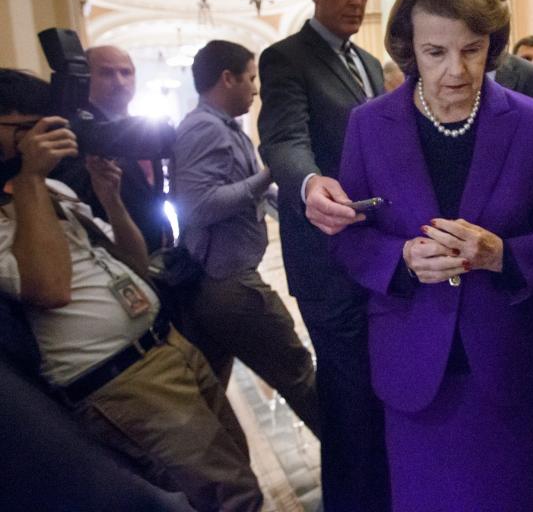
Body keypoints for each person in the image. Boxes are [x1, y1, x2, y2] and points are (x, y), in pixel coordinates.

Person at [329, 0, 533, 512]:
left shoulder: (530, 120)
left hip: (508, 369)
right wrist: (399, 258)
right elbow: (348, 240)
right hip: (415, 374)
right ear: (410, 49)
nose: (455, 70)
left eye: (471, 49)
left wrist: (503, 255)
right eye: (435, 52)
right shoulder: (369, 126)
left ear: (491, 45)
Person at [0, 69, 261, 512]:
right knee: (229, 495)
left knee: (236, 470)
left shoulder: (57, 190)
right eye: (27, 129)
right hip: (121, 378)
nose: (42, 139)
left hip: (167, 347)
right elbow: (50, 288)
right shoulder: (25, 198)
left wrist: (111, 198)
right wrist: (28, 180)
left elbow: (135, 263)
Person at [257, 0, 389, 512]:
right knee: (346, 397)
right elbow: (283, 139)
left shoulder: (368, 63)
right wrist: (310, 184)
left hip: (378, 254)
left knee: (376, 391)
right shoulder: (286, 58)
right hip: (325, 258)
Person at [173, 40, 323, 437]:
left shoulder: (224, 128)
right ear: (227, 78)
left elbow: (249, 192)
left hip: (225, 282)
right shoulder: (204, 129)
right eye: (251, 78)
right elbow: (198, 205)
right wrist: (269, 174)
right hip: (229, 285)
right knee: (299, 373)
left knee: (212, 397)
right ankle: (359, 470)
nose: (256, 89)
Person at [52, 45, 171, 253]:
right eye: (106, 73)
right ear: (85, 78)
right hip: (110, 251)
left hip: (157, 250)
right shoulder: (77, 131)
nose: (119, 81)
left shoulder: (142, 131)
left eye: (126, 72)